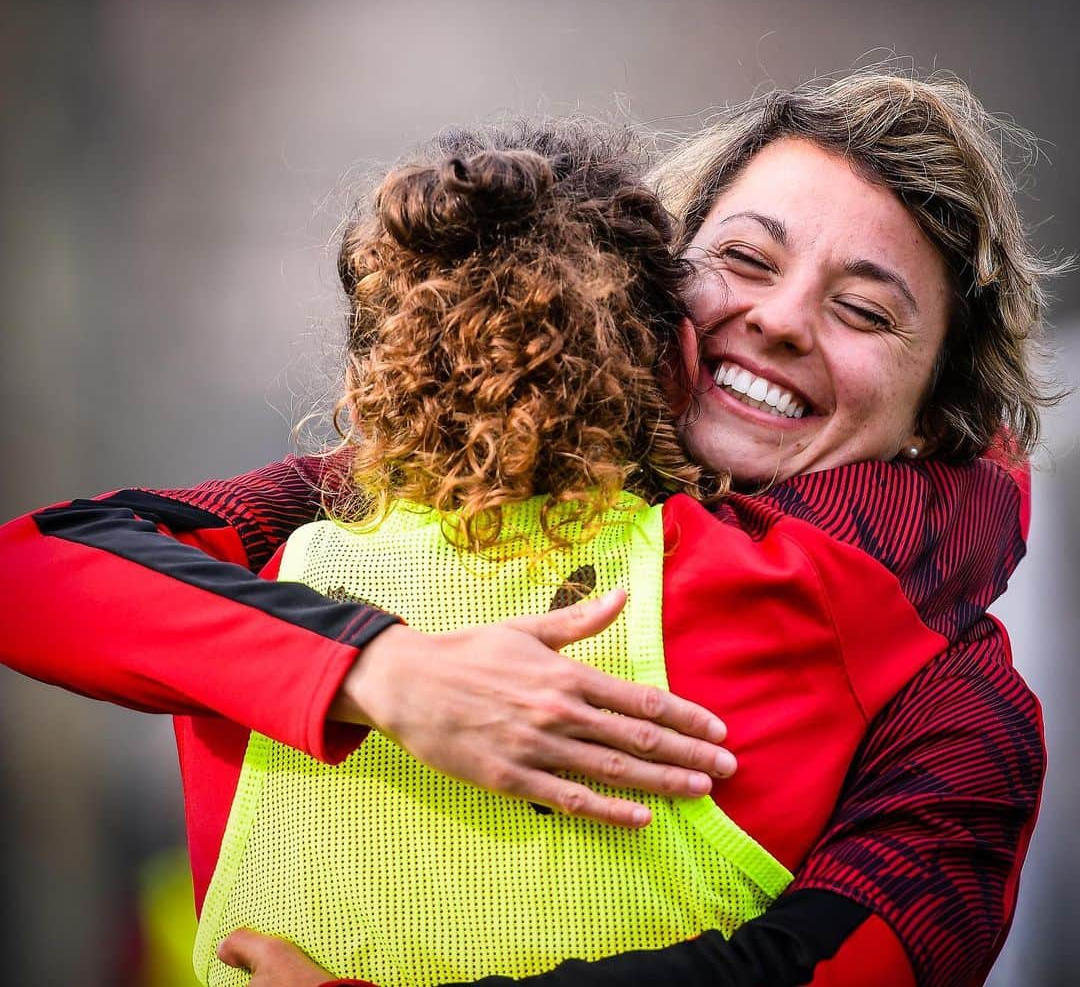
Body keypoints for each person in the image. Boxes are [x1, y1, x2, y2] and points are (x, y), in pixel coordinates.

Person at [0, 71, 1055, 987]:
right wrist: (381, 671)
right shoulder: (392, 493)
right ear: (654, 277)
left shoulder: (963, 711)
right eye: (745, 256)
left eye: (864, 311)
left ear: (940, 416)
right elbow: (35, 568)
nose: (780, 319)